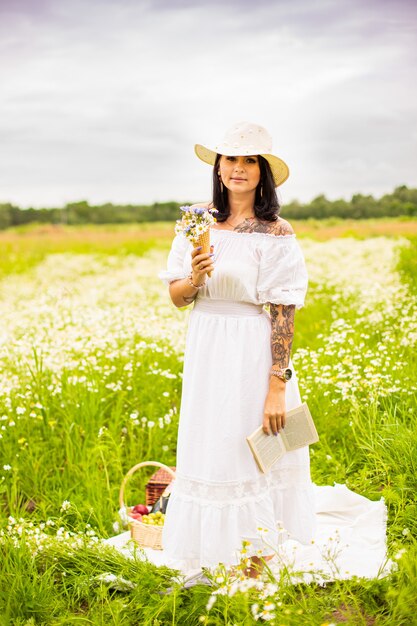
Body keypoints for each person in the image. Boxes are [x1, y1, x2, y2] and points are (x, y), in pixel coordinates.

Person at [158, 121, 316, 578]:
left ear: (263, 171)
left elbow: (284, 311)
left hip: (251, 349)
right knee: (211, 448)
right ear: (218, 167)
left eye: (250, 160)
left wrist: (276, 385)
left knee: (252, 447)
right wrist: (197, 276)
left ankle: (256, 556)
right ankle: (213, 550)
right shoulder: (196, 222)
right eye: (231, 159)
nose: (239, 168)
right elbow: (177, 296)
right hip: (207, 346)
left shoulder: (274, 231)